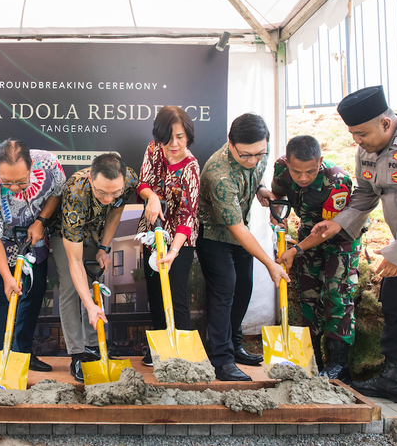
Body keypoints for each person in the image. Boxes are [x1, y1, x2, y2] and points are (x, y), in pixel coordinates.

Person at [312, 85, 397, 427]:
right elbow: (364, 194)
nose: (357, 141)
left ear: (386, 123)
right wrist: (337, 225)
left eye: (362, 133)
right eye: (353, 135)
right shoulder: (368, 149)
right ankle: (394, 379)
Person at [196, 113, 287, 382]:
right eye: (245, 155)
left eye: (259, 154)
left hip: (240, 233)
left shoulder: (260, 151)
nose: (253, 160)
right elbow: (236, 227)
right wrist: (270, 263)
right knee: (224, 291)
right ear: (231, 143)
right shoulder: (218, 173)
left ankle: (235, 345)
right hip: (214, 234)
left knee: (244, 288)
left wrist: (259, 188)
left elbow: (254, 173)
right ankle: (221, 359)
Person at [271, 135, 360, 383]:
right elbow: (279, 197)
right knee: (308, 295)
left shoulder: (337, 181)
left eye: (309, 171)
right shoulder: (281, 169)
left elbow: (327, 231)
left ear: (319, 161)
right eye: (296, 171)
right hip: (306, 233)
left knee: (336, 292)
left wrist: (295, 250)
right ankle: (314, 360)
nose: (302, 178)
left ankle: (338, 365)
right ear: (287, 162)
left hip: (340, 237)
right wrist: (279, 217)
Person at [0, 138, 66, 372]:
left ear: (32, 164)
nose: (14, 188)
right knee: (2, 297)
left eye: (21, 182)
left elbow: (57, 193)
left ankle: (22, 352)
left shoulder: (49, 164)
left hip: (34, 236)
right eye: (7, 181)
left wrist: (41, 220)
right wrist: (7, 277)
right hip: (2, 243)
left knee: (34, 293)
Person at [51, 153, 138, 382]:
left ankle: (93, 347)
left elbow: (116, 212)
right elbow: (75, 261)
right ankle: (77, 354)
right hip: (67, 233)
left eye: (114, 192)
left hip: (95, 231)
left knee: (92, 286)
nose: (108, 198)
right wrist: (89, 305)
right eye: (102, 192)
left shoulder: (128, 180)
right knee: (71, 287)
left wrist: (104, 248)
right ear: (90, 178)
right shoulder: (75, 191)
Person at [136, 106, 200, 366]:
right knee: (155, 294)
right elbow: (143, 182)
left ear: (189, 137)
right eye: (169, 137)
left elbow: (188, 216)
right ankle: (159, 348)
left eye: (181, 137)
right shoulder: (153, 149)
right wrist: (151, 197)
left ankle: (182, 356)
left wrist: (173, 252)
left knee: (176, 294)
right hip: (152, 235)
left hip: (179, 241)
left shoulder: (191, 167)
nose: (174, 144)